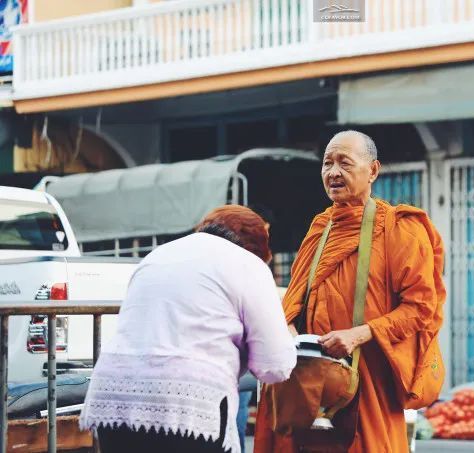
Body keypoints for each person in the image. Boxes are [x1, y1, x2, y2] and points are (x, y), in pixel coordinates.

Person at [254, 130, 446, 452]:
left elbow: (421, 307)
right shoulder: (320, 227)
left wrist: (359, 335)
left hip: (367, 376)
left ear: (373, 170)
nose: (333, 172)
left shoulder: (398, 228)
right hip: (310, 379)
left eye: (344, 163)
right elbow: (295, 298)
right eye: (327, 163)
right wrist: (290, 331)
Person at [80, 206, 296, 453]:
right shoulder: (248, 264)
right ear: (257, 247)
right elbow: (275, 366)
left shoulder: (157, 255)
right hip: (189, 402)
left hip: (114, 395)